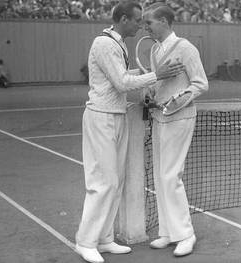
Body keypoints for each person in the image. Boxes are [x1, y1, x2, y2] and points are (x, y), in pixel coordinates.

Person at [75, 2, 185, 263]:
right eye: (137, 21)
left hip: (118, 115)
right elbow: (122, 82)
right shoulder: (103, 43)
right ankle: (85, 241)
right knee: (102, 182)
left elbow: (122, 76)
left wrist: (147, 74)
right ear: (123, 19)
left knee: (116, 181)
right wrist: (156, 75)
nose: (140, 25)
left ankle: (103, 239)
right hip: (100, 118)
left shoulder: (119, 43)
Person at [142, 2, 208, 257]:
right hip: (160, 118)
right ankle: (167, 233)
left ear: (165, 23)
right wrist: (151, 94)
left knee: (171, 176)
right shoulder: (155, 50)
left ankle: (185, 234)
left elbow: (201, 84)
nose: (145, 27)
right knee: (160, 175)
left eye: (149, 22)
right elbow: (158, 83)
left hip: (180, 118)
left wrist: (177, 99)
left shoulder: (186, 48)